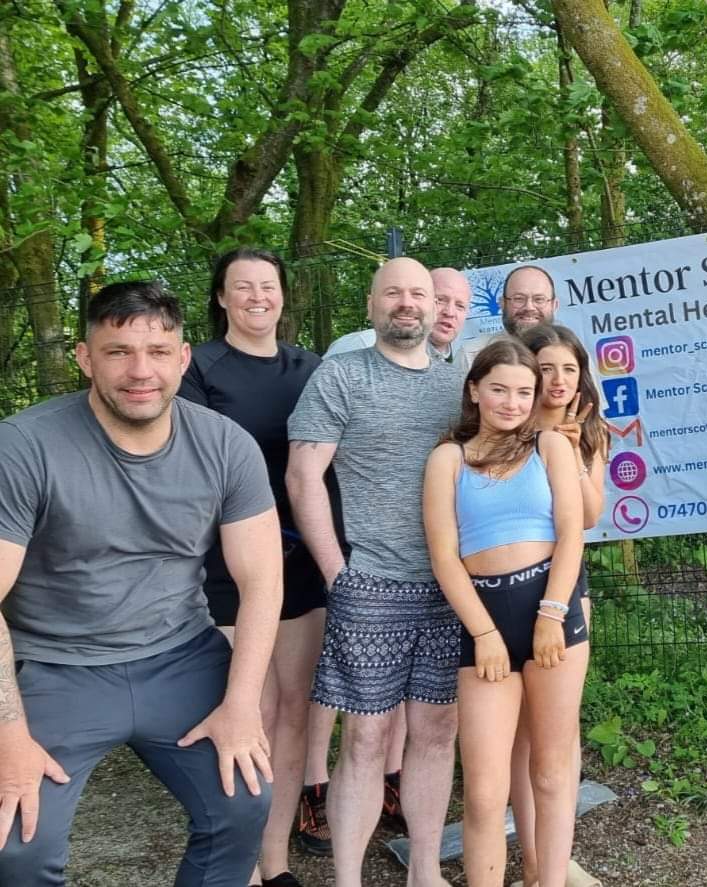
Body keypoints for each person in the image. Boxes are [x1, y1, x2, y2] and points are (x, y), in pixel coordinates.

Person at [0, 281, 281, 886]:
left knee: (243, 803)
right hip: (53, 666)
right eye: (118, 352)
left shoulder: (225, 445)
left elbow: (262, 581)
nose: (140, 372)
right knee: (16, 845)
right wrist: (9, 735)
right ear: (85, 358)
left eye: (158, 352)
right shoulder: (23, 446)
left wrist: (241, 706)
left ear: (183, 358)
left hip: (180, 657)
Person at [287, 257, 463, 887]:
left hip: (451, 588)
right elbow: (303, 477)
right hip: (372, 586)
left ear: (434, 305)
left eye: (418, 293)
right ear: (371, 305)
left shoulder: (461, 382)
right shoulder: (341, 375)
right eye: (393, 293)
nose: (407, 303)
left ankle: (424, 871)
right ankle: (348, 879)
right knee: (365, 739)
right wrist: (338, 573)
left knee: (437, 733)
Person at [178, 248, 329, 887]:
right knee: (249, 714)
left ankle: (276, 864)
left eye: (268, 285)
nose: (257, 297)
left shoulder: (311, 368)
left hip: (300, 560)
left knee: (294, 711)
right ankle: (238, 870)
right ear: (221, 297)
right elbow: (187, 466)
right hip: (227, 564)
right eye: (243, 287)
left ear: (283, 295)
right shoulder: (197, 368)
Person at [422, 339, 588, 887]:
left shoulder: (550, 446)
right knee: (485, 793)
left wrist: (552, 614)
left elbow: (571, 534)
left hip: (552, 617)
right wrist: (484, 632)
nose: (512, 403)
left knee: (551, 773)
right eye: (499, 389)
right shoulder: (448, 459)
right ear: (474, 390)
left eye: (523, 392)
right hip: (483, 624)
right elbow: (444, 556)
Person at [510, 323, 609, 887]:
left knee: (560, 731)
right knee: (522, 736)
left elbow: (590, 515)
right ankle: (530, 858)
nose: (557, 380)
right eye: (545, 368)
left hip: (568, 587)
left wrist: (570, 449)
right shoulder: (506, 425)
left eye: (569, 369)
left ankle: (555, 859)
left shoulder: (589, 432)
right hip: (506, 589)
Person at [324, 266, 472, 369]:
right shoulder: (361, 344)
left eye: (460, 306)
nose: (450, 312)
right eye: (440, 300)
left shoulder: (454, 368)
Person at [458, 264, 558, 367]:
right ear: (502, 303)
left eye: (539, 299)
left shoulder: (567, 355)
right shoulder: (471, 356)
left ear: (554, 305)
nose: (529, 307)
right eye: (518, 299)